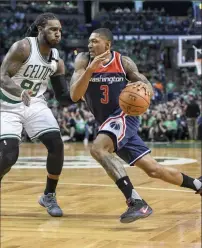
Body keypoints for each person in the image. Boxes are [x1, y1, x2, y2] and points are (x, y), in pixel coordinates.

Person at [69, 28, 202, 223]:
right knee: (154, 170)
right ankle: (198, 184)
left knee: (98, 149)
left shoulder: (122, 62)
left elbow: (146, 84)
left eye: (95, 41)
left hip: (124, 115)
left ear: (107, 44)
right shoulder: (83, 61)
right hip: (107, 122)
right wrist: (90, 70)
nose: (90, 44)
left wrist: (141, 94)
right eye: (89, 41)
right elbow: (74, 95)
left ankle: (136, 202)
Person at [0, 13, 75, 217]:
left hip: (35, 104)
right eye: (53, 29)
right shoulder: (23, 47)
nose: (58, 33)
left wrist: (82, 93)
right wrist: (19, 92)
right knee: (8, 156)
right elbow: (2, 76)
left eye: (59, 30)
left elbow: (62, 97)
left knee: (56, 144)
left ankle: (48, 196)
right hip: (7, 104)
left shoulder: (57, 59)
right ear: (41, 29)